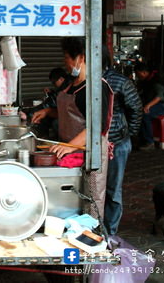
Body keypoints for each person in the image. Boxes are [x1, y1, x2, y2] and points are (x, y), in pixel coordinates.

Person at [32, 37, 113, 221]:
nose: (65, 62)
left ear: (81, 58)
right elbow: (71, 113)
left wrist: (70, 146)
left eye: (67, 57)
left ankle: (90, 241)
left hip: (89, 153)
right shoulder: (71, 83)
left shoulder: (95, 88)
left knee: (90, 200)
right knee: (70, 201)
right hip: (70, 149)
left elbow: (96, 126)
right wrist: (48, 112)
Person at [102, 48, 142, 236]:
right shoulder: (80, 80)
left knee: (112, 189)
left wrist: (127, 134)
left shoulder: (120, 81)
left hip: (116, 144)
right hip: (90, 143)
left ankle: (110, 233)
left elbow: (135, 108)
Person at [134, 62, 164, 149]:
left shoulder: (157, 81)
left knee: (145, 115)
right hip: (152, 103)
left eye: (138, 74)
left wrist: (148, 106)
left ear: (144, 72)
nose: (138, 77)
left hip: (162, 105)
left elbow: (159, 97)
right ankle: (142, 138)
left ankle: (149, 142)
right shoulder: (145, 81)